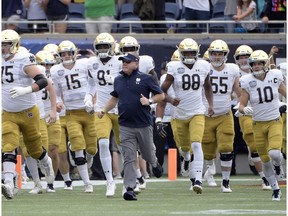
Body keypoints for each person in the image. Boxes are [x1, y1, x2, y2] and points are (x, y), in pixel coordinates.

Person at [98, 52, 164, 201]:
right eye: (123, 61)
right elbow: (114, 98)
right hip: (125, 125)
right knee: (129, 157)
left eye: (128, 61)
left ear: (136, 63)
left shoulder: (146, 78)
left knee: (146, 154)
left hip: (143, 124)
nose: (124, 64)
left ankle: (154, 163)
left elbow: (161, 95)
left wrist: (149, 101)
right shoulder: (119, 80)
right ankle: (129, 188)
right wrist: (103, 110)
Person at [1, 29, 54, 199]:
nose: (3, 47)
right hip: (8, 112)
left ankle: (46, 162)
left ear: (14, 45)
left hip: (28, 112)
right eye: (1, 44)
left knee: (34, 149)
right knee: (8, 145)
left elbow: (43, 80)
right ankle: (8, 183)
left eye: (6, 44)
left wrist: (26, 89)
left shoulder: (24, 58)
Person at [160, 38, 214, 194]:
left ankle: (197, 179)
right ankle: (185, 158)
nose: (190, 55)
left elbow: (208, 87)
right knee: (184, 148)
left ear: (197, 52)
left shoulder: (204, 65)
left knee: (197, 144)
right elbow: (161, 91)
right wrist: (170, 99)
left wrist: (210, 105)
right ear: (180, 53)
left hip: (197, 111)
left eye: (192, 52)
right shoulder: (174, 67)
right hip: (179, 115)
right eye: (186, 52)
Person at [239, 50, 286, 201]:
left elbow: (285, 92)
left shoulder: (275, 76)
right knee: (264, 160)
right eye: (254, 64)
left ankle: (278, 164)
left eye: (260, 63)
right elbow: (241, 104)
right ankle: (275, 189)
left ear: (265, 64)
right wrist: (244, 109)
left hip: (274, 121)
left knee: (274, 154)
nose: (257, 66)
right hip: (257, 124)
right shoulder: (247, 80)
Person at [50, 40, 97, 193]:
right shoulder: (56, 70)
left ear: (74, 53)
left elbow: (92, 82)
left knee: (92, 149)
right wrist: (57, 102)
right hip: (71, 113)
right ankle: (87, 183)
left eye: (68, 53)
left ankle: (88, 157)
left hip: (88, 112)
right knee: (78, 146)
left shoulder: (84, 64)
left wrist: (89, 97)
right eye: (63, 54)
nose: (66, 56)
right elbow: (55, 91)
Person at [202, 39, 241, 193]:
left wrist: (242, 104)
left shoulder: (232, 69)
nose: (217, 57)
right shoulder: (203, 68)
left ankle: (225, 181)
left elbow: (238, 89)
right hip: (205, 114)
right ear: (209, 54)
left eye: (220, 54)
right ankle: (210, 172)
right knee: (208, 151)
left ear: (225, 55)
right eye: (214, 53)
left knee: (226, 147)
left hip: (225, 113)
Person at [84, 32, 121, 197]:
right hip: (101, 109)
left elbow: (131, 81)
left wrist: (116, 80)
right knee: (104, 144)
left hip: (121, 108)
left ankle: (136, 177)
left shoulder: (120, 61)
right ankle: (109, 182)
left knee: (126, 146)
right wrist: (88, 97)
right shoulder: (91, 63)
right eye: (100, 47)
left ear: (112, 47)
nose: (103, 49)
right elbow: (91, 85)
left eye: (106, 46)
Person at [233, 45, 271, 190]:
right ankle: (264, 177)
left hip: (265, 110)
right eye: (240, 57)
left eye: (246, 57)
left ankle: (269, 169)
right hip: (245, 110)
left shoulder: (265, 71)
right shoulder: (232, 71)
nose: (243, 60)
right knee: (253, 143)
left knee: (270, 144)